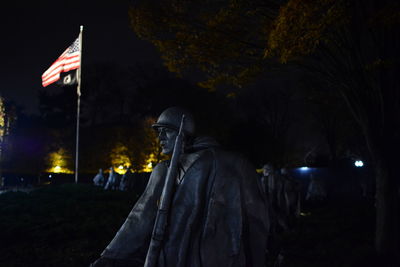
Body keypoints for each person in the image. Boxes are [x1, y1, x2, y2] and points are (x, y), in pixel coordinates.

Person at [90, 107, 269, 267]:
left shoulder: (231, 164)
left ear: (183, 132)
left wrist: (110, 256)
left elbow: (255, 217)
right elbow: (140, 216)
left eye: (165, 131)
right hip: (208, 257)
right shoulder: (237, 163)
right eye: (158, 132)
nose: (160, 138)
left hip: (193, 256)